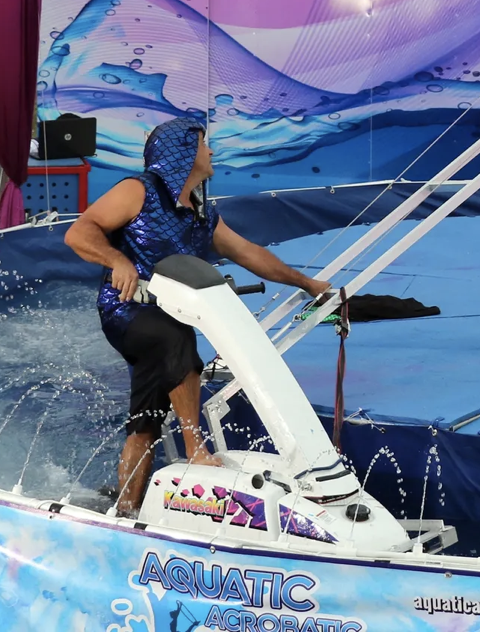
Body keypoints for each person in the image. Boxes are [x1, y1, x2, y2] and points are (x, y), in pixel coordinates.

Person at [64, 116, 330, 516]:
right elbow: (79, 233)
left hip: (167, 319)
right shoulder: (137, 191)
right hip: (126, 310)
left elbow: (249, 253)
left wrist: (307, 283)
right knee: (174, 339)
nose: (211, 152)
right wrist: (117, 260)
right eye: (205, 144)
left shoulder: (202, 211)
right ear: (183, 152)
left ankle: (126, 510)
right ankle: (195, 448)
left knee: (148, 419)